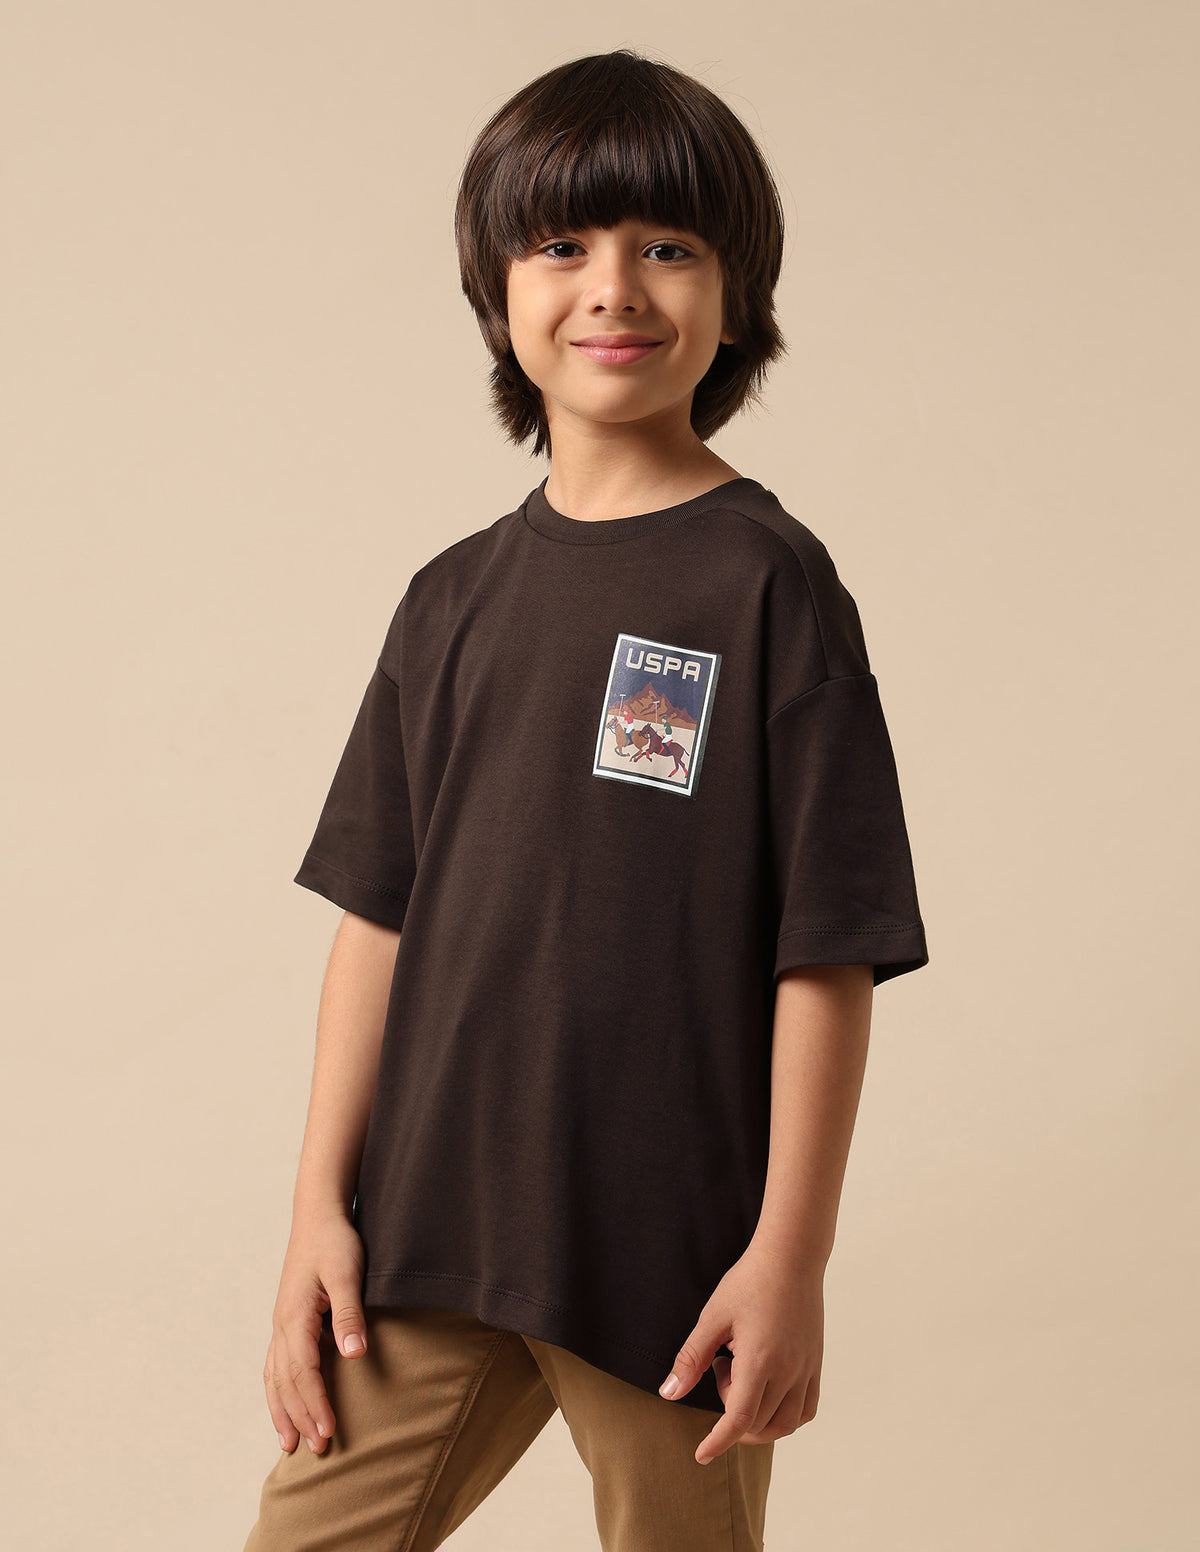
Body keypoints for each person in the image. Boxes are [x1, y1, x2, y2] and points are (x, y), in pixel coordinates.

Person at [242, 46, 929, 1552]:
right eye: (563, 245)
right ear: (498, 295)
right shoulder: (450, 600)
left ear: (736, 297)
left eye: (667, 247)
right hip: (426, 1235)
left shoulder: (768, 587)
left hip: (669, 1266)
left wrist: (791, 1258)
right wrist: (316, 1213)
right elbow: (377, 923)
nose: (614, 288)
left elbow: (827, 949)